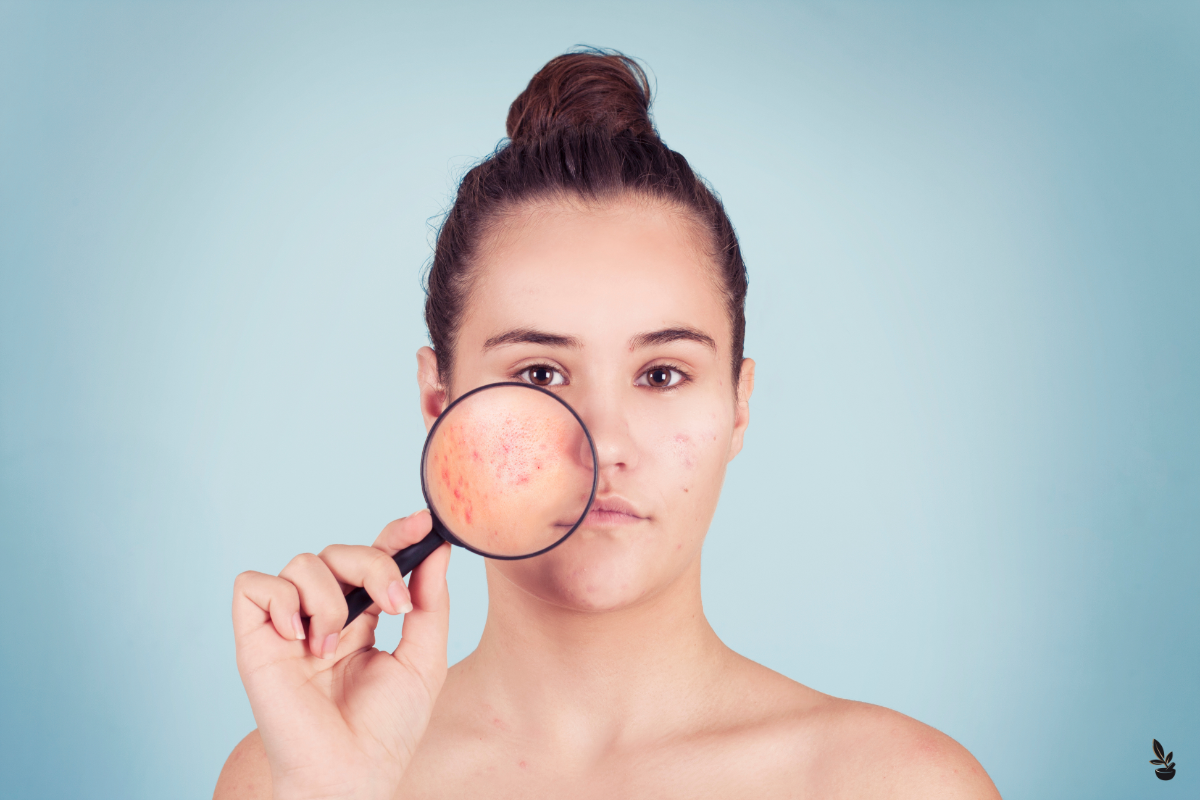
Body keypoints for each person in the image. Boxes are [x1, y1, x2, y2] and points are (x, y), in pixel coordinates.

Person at [215, 49, 1001, 799]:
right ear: (439, 401)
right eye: (539, 375)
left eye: (662, 375)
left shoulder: (900, 786)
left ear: (738, 406)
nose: (604, 445)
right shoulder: (289, 770)